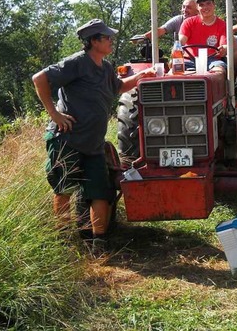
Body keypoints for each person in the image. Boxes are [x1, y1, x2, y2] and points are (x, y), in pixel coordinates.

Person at [32, 19, 156, 255]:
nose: (111, 40)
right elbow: (39, 79)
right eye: (107, 37)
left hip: (94, 145)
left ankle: (98, 243)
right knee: (64, 189)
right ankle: (63, 242)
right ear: (93, 41)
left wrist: (143, 76)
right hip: (67, 139)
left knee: (100, 192)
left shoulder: (106, 67)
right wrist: (55, 114)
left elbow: (118, 87)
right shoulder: (76, 63)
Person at [179, 0, 227, 74]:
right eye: (201, 5)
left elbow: (225, 45)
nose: (205, 7)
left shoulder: (222, 24)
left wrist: (223, 49)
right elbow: (181, 42)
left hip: (212, 60)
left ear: (214, 5)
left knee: (219, 72)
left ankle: (216, 86)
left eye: (208, 3)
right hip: (189, 59)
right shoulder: (189, 22)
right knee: (175, 71)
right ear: (197, 7)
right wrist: (177, 49)